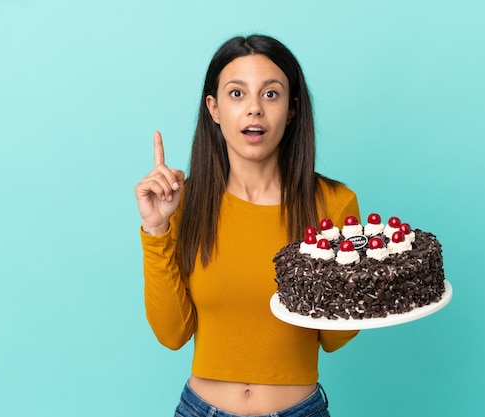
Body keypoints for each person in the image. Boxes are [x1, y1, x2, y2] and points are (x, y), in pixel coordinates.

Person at [134, 34, 360, 417]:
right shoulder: (183, 203)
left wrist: (342, 275)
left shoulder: (334, 205)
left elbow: (335, 339)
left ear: (291, 109)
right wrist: (157, 229)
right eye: (237, 94)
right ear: (214, 108)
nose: (254, 109)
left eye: (271, 94)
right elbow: (172, 335)